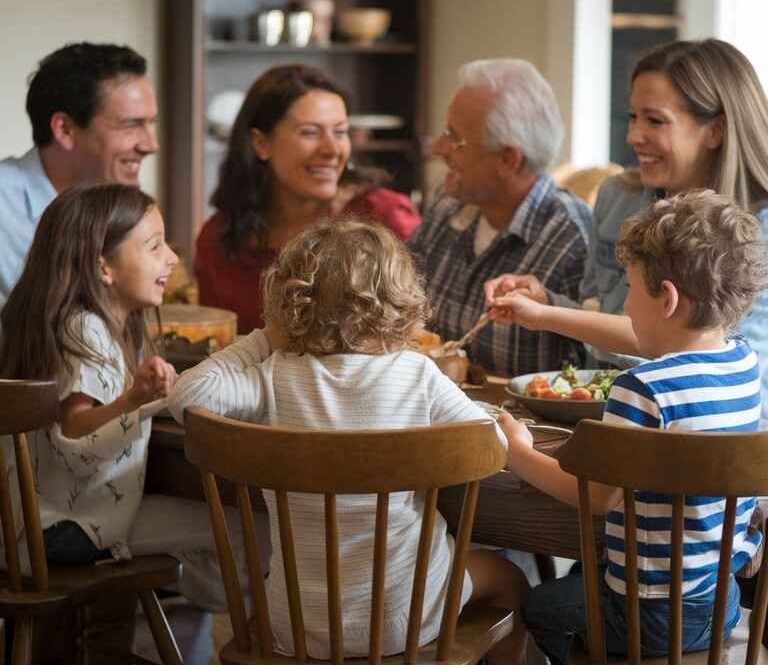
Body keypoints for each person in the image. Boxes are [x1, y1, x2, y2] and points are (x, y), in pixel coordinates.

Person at [170, 219, 530, 665]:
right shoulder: (416, 374)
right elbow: (489, 447)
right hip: (407, 619)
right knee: (511, 579)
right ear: (400, 300)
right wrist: (513, 435)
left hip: (295, 623)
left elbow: (187, 397)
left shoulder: (275, 376)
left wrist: (265, 339)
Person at [491, 190, 766, 665]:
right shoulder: (740, 361)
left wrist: (519, 454)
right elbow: (653, 341)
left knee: (539, 607)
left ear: (665, 298)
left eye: (629, 292)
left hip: (651, 615)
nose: (624, 306)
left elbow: (595, 497)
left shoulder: (642, 390)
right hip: (725, 602)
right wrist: (544, 314)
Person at [0, 183, 254, 612]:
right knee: (254, 533)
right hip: (64, 528)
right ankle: (264, 645)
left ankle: (209, 611)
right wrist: (133, 401)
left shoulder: (85, 325)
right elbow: (76, 440)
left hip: (44, 524)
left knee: (218, 542)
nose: (172, 259)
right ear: (104, 267)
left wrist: (142, 398)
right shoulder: (85, 331)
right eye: (154, 247)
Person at [485, 39, 768, 414]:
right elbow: (600, 308)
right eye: (633, 116)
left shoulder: (755, 228)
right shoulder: (618, 197)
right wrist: (547, 301)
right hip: (600, 412)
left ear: (715, 131)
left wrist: (549, 317)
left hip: (704, 434)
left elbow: (703, 350)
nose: (633, 136)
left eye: (655, 120)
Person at [194, 64, 420, 334]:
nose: (332, 149)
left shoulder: (386, 218)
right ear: (261, 144)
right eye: (310, 132)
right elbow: (215, 347)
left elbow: (419, 332)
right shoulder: (220, 238)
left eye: (340, 131)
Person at [408, 58, 591, 378]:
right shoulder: (447, 204)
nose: (438, 148)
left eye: (454, 138)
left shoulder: (573, 239)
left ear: (508, 159)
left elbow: (589, 381)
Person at [0, 42, 159, 308]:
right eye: (131, 125)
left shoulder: (117, 209)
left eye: (151, 124)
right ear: (64, 129)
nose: (151, 145)